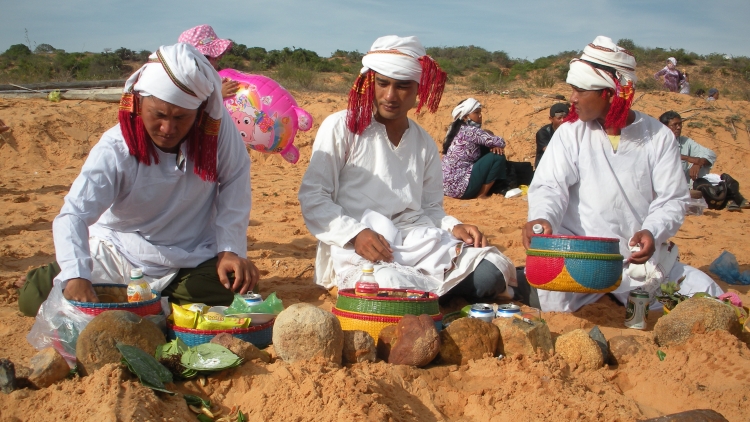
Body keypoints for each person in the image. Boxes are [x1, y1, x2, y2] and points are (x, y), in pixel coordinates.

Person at [17, 43, 258, 317]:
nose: (168, 129)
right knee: (33, 299)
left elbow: (235, 180)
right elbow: (74, 213)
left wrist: (229, 250)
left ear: (200, 113)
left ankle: (142, 301)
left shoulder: (215, 129)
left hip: (189, 252)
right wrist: (76, 277)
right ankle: (64, 275)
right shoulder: (115, 147)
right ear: (139, 103)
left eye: (181, 118)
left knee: (236, 288)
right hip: (121, 249)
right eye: (158, 115)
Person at [298, 35, 523, 304]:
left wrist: (454, 226)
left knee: (492, 270)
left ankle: (424, 296)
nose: (390, 96)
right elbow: (314, 196)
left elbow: (430, 209)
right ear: (370, 83)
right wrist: (355, 234)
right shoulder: (340, 127)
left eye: (403, 86)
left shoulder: (423, 141)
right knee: (387, 284)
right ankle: (427, 296)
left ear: (418, 89)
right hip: (357, 244)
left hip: (414, 238)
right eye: (382, 84)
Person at [525, 36, 722, 313]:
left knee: (708, 294)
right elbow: (549, 187)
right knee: (557, 302)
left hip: (639, 262)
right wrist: (541, 218)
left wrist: (652, 231)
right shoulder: (569, 134)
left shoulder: (658, 136)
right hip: (581, 260)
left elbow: (672, 199)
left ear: (607, 93)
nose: (572, 98)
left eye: (581, 91)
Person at [659, 110, 749, 211]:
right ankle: (732, 201)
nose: (679, 127)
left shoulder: (684, 141)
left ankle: (735, 201)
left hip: (686, 183)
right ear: (665, 127)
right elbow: (664, 156)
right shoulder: (657, 141)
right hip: (665, 186)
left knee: (724, 180)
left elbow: (710, 153)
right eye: (675, 125)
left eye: (680, 124)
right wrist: (688, 158)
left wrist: (698, 163)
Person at [442, 98, 508, 199]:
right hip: (460, 188)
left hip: (446, 188)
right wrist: (490, 136)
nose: (480, 116)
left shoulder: (453, 129)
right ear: (465, 117)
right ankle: (482, 194)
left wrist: (490, 143)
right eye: (476, 113)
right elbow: (501, 142)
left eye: (480, 112)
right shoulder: (471, 131)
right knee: (497, 156)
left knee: (487, 148)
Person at [179, 25, 239, 98]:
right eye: (213, 57)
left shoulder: (203, 76)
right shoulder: (189, 81)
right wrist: (218, 94)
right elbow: (195, 103)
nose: (219, 58)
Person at [534, 103, 569, 169]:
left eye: (565, 117)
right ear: (551, 119)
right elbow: (551, 152)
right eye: (559, 118)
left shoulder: (571, 131)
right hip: (546, 168)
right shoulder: (543, 132)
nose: (562, 120)